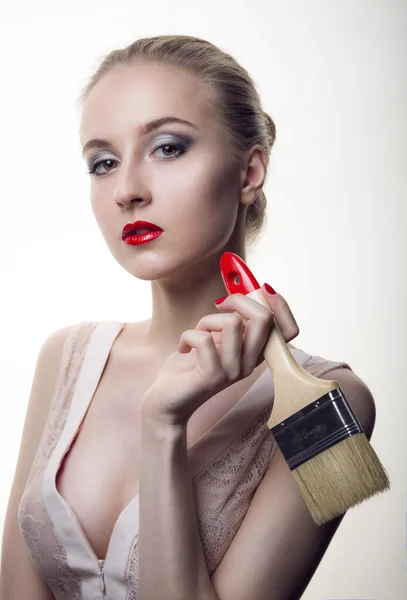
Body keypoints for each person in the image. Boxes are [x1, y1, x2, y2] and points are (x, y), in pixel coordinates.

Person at [0, 34, 376, 600]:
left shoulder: (328, 403)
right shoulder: (66, 358)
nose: (127, 190)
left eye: (168, 147)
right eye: (103, 162)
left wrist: (164, 425)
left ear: (250, 173)